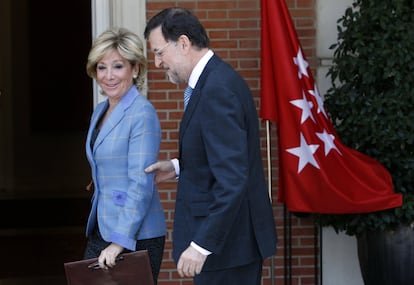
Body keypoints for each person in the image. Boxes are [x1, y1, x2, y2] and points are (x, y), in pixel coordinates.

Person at [144, 7, 277, 285]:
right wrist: (178, 167)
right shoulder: (212, 81)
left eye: (159, 52)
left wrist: (202, 245)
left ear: (182, 43)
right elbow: (220, 157)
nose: (157, 63)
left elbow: (232, 179)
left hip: (225, 250)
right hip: (227, 249)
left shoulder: (217, 89)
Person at [83, 27, 166, 284]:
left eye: (118, 66)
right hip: (103, 224)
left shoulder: (141, 113)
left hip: (134, 234)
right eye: (101, 67)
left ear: (135, 69)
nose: (108, 76)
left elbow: (141, 184)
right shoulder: (100, 110)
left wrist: (119, 242)